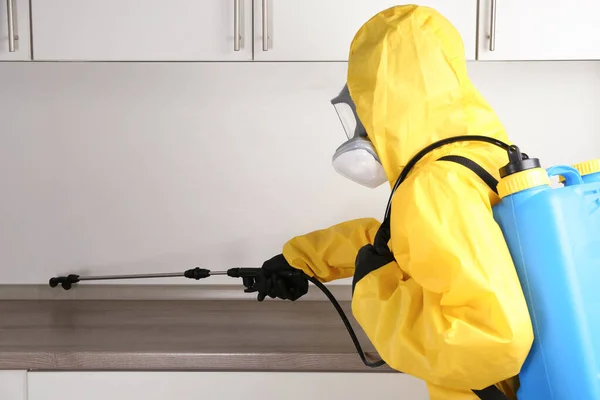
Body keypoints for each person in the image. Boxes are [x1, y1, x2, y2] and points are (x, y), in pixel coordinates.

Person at [245, 5, 534, 400]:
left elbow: (492, 340)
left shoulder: (433, 186)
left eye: (362, 107)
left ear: (384, 104)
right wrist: (302, 260)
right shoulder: (479, 159)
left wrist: (373, 290)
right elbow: (406, 244)